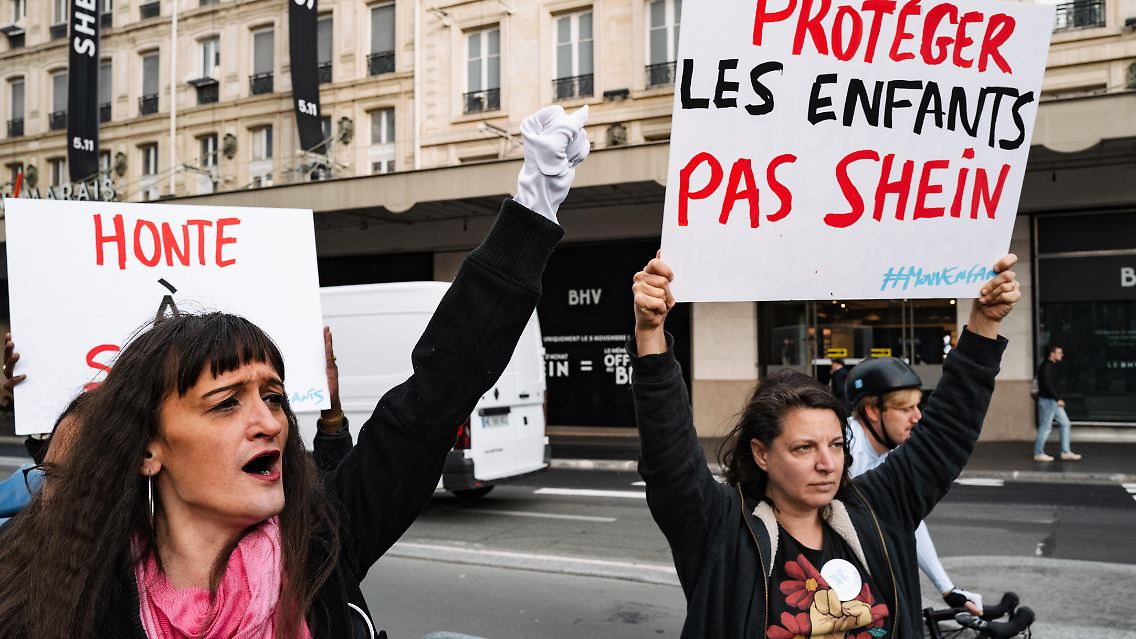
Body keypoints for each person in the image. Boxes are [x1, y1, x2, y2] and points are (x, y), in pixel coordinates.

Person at [0, 103, 589, 639]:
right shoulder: (68, 596)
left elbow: (435, 395)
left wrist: (533, 205)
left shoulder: (321, 549)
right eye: (226, 402)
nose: (269, 423)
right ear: (148, 449)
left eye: (274, 397)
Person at [629, 251, 1020, 638]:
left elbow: (948, 431)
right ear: (761, 453)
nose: (828, 463)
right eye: (803, 448)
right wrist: (650, 332)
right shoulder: (720, 530)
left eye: (835, 445)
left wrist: (985, 321)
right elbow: (670, 461)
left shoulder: (877, 511)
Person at [844, 356, 983, 614]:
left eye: (917, 406)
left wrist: (947, 589)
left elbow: (908, 520)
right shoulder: (843, 452)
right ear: (872, 411)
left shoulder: (889, 451)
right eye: (905, 408)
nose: (918, 417)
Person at [1033, 344, 1080, 462]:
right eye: (1059, 353)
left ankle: (1065, 452)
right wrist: (1058, 398)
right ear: (1052, 353)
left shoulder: (1051, 366)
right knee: (1045, 427)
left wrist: (1056, 399)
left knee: (1065, 424)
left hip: (1053, 401)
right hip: (1048, 401)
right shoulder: (1046, 367)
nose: (1061, 355)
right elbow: (1047, 385)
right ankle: (1038, 453)